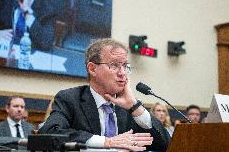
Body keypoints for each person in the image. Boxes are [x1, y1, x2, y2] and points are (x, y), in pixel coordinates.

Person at [40, 38, 170, 151]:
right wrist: (106, 142)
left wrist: (136, 107)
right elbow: (48, 134)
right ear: (92, 69)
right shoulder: (70, 99)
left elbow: (167, 145)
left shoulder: (130, 107)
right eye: (114, 65)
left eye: (125, 66)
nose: (122, 73)